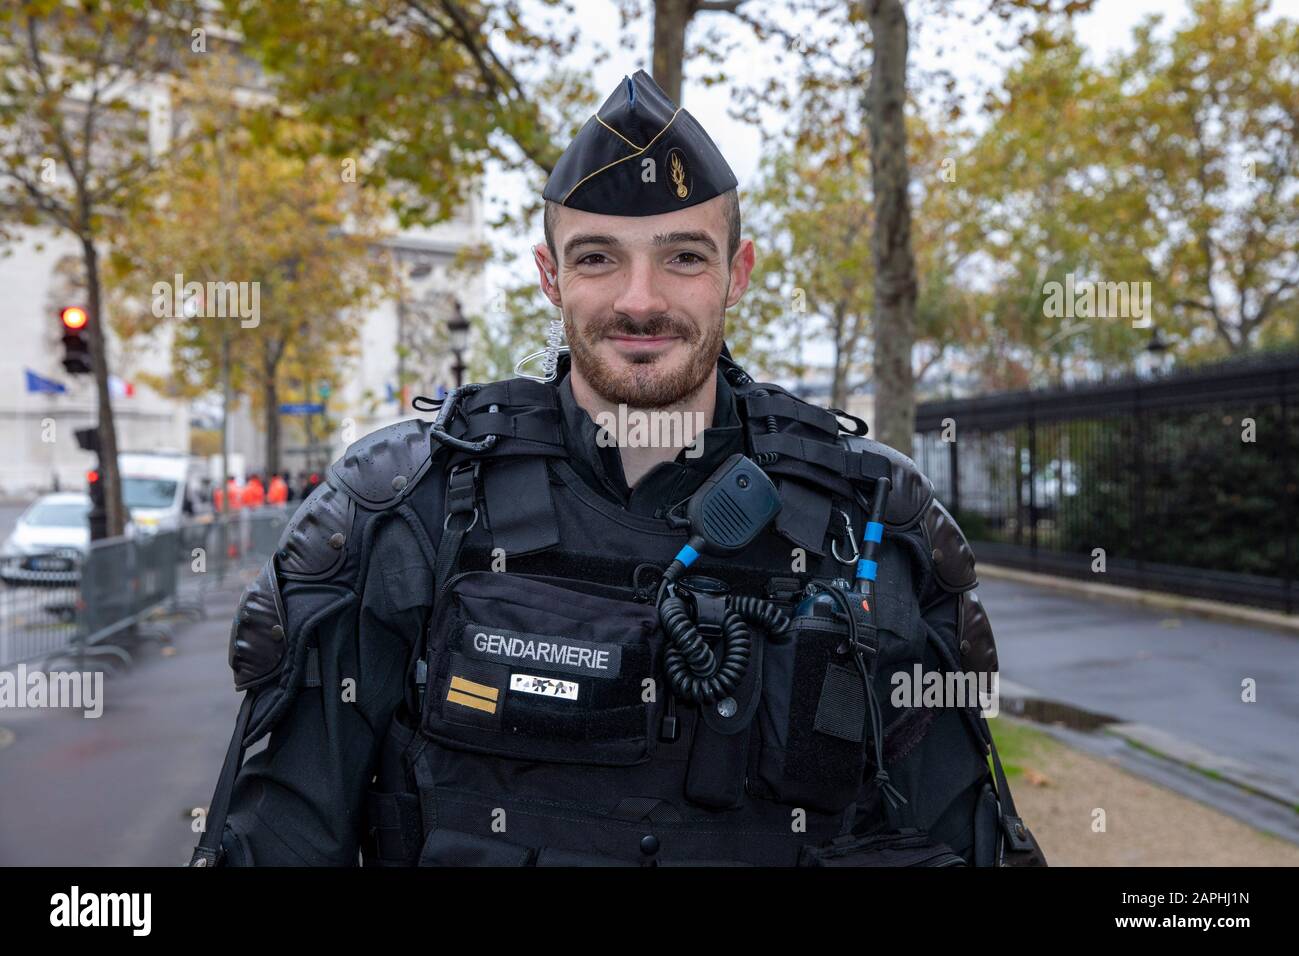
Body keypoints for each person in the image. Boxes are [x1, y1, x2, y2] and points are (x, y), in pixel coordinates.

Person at [193, 70, 1043, 868]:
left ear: (735, 275)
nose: (641, 299)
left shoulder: (870, 522)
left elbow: (954, 837)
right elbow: (280, 841)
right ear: (550, 275)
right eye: (599, 257)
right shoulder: (400, 514)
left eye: (683, 256)